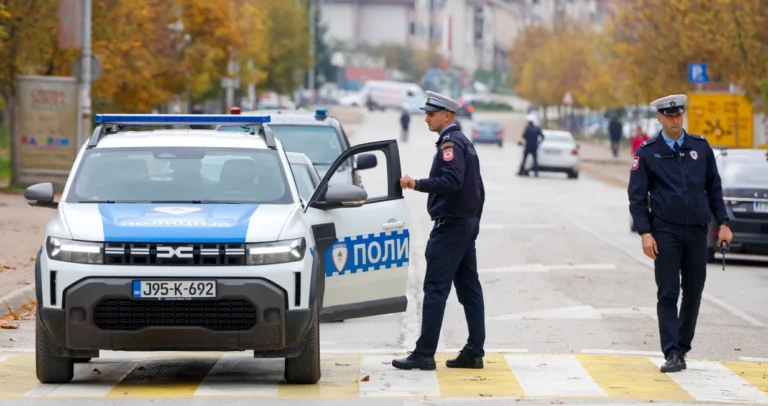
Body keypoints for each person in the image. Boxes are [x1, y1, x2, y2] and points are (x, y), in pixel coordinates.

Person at [627, 94, 733, 373]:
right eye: (669, 116)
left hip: (698, 230)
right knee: (668, 292)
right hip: (666, 231)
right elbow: (636, 197)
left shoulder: (700, 147)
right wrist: (645, 233)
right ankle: (672, 351)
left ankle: (682, 347)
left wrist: (723, 222)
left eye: (678, 115)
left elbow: (714, 187)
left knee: (695, 291)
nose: (675, 120)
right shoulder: (648, 152)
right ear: (659, 118)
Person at [395, 91, 486, 371]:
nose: (425, 119)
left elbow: (452, 179)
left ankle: (424, 353)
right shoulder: (463, 142)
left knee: (435, 289)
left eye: (430, 114)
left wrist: (417, 184)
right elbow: (478, 189)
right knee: (469, 288)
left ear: (446, 115)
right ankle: (473, 352)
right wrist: (471, 222)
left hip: (452, 226)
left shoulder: (451, 142)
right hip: (464, 224)